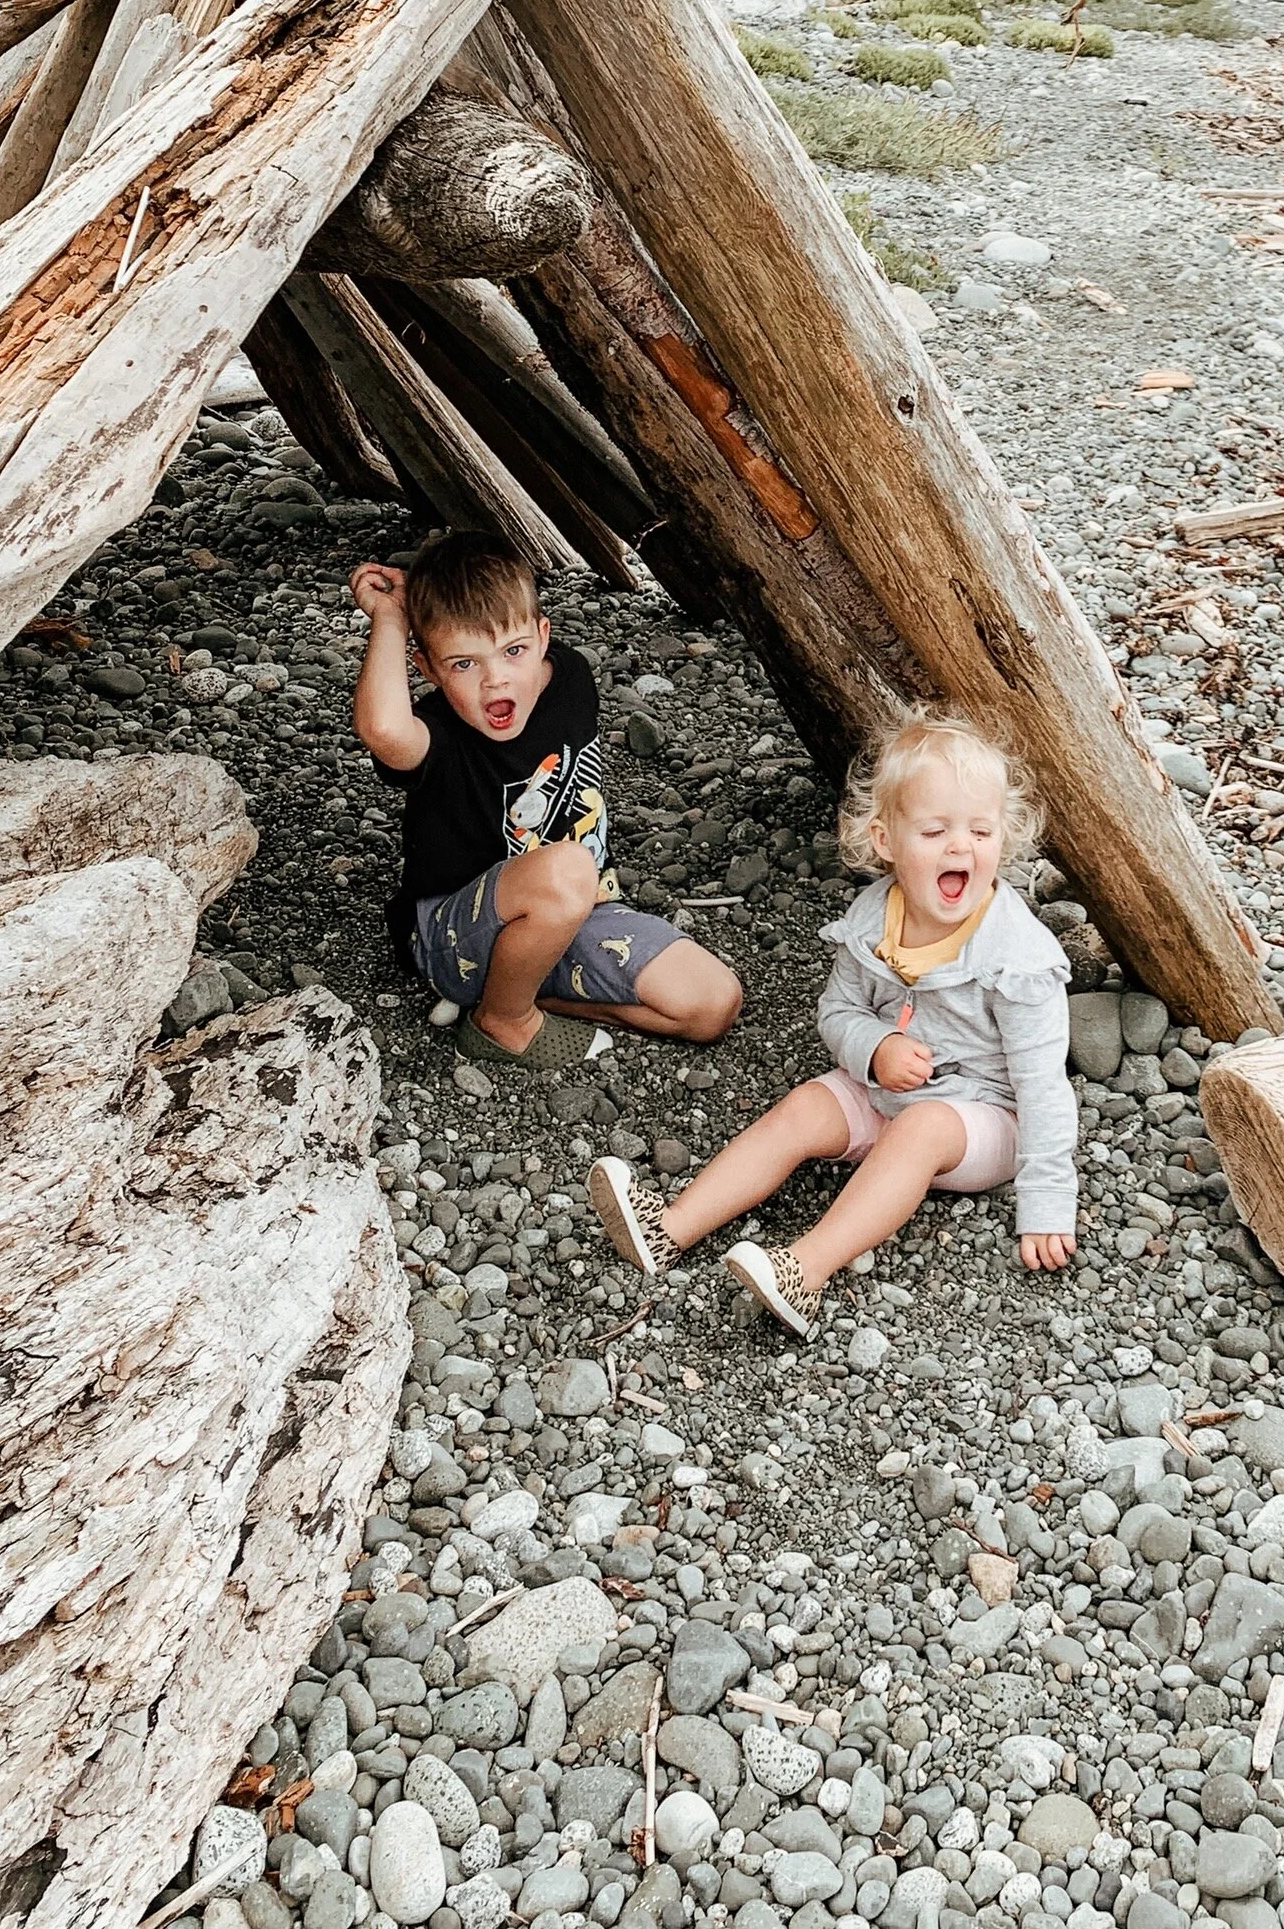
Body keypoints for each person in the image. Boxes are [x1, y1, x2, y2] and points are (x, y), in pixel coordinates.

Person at [588, 707, 1076, 1337]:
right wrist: (874, 1047)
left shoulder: (1018, 958)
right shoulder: (873, 917)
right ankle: (670, 1229)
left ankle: (806, 1270)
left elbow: (1043, 1088)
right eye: (935, 832)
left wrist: (1047, 1203)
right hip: (886, 1086)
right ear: (886, 841)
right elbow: (839, 1011)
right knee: (805, 1107)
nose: (961, 846)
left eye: (981, 832)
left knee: (922, 1128)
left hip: (982, 1118)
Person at [350, 531, 741, 1073]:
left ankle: (518, 993)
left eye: (513, 651)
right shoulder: (438, 736)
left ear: (542, 637)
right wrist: (392, 619)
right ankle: (501, 1022)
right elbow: (383, 729)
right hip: (454, 938)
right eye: (463, 664)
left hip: (575, 915)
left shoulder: (570, 679)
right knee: (567, 870)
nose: (496, 680)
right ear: (428, 669)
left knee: (712, 1004)